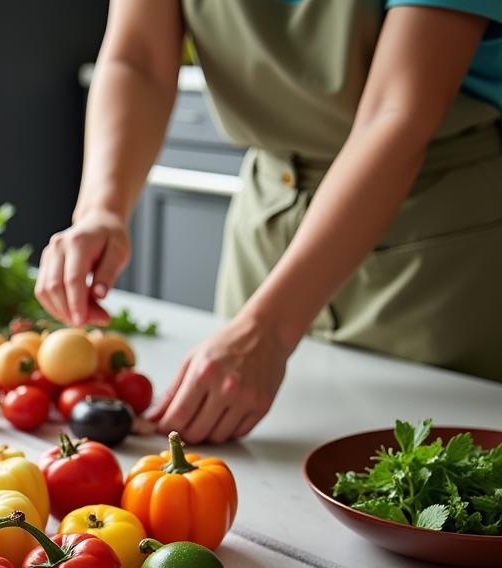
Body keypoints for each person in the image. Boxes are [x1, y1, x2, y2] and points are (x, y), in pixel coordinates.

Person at [35, 0, 502, 443]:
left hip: (435, 243)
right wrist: (101, 209)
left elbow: (398, 114)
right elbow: (137, 60)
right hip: (266, 219)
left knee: (424, 483)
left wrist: (266, 331)